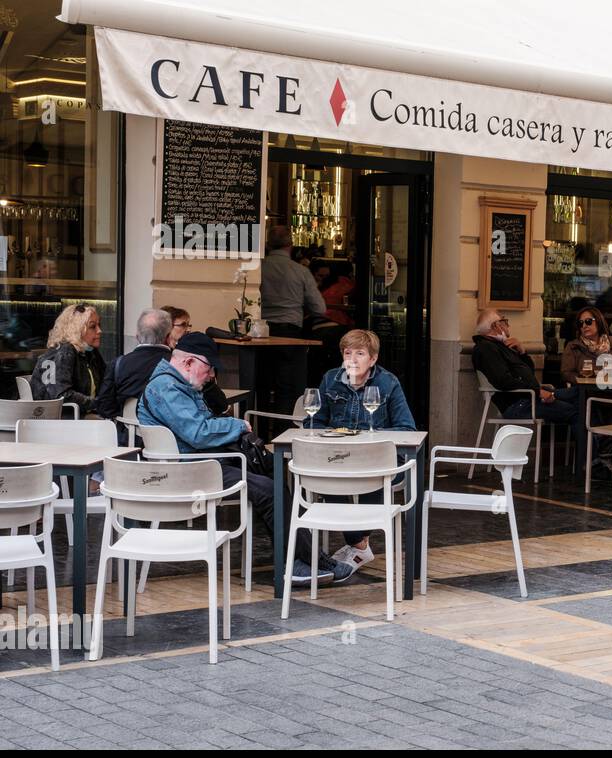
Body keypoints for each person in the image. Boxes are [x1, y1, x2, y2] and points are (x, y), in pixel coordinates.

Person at [137, 333, 333, 587]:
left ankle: (306, 558)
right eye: (208, 369)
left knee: (276, 473)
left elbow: (210, 415)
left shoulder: (180, 384)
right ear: (188, 363)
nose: (210, 376)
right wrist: (238, 425)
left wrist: (209, 389)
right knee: (269, 491)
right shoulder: (167, 387)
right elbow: (198, 433)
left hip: (203, 464)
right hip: (192, 471)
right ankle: (298, 562)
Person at [305, 329, 415, 577]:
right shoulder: (331, 379)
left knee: (371, 476)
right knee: (324, 475)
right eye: (347, 353)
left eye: (360, 353)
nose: (352, 359)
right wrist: (329, 435)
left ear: (373, 359)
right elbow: (313, 421)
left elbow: (407, 428)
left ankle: (356, 544)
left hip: (376, 460)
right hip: (341, 458)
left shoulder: (388, 383)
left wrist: (372, 438)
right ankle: (359, 544)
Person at [472, 308, 586, 466]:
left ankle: (595, 453)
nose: (508, 326)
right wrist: (538, 392)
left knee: (580, 394)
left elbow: (528, 371)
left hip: (530, 396)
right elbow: (503, 381)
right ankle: (587, 462)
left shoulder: (501, 346)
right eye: (505, 322)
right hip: (519, 404)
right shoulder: (486, 349)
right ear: (496, 325)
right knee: (576, 412)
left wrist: (522, 351)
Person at [260, 224, 327, 415]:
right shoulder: (300, 271)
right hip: (290, 334)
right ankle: (284, 431)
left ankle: (260, 431)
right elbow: (319, 308)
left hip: (261, 334)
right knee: (288, 388)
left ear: (267, 244)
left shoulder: (258, 268)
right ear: (291, 245)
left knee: (262, 385)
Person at [94, 308, 173, 423]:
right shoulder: (177, 365)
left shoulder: (118, 364)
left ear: (137, 335)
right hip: (168, 437)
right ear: (168, 337)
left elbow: (104, 407)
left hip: (128, 436)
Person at [32, 303, 106, 416]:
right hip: (61, 421)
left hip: (77, 415)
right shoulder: (66, 352)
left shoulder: (89, 352)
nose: (99, 330)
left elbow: (106, 379)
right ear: (77, 329)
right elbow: (62, 395)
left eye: (99, 325)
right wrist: (97, 403)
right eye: (92, 326)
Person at [561, 307, 612, 385]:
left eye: (588, 321)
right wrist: (584, 378)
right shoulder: (573, 346)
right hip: (587, 392)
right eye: (581, 323)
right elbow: (566, 374)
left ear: (599, 322)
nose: (584, 326)